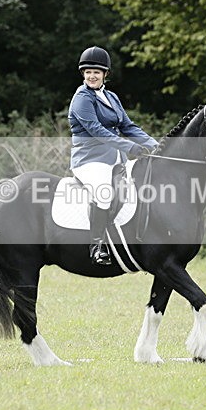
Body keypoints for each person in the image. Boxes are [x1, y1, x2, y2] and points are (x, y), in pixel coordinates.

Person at [68, 46, 159, 265]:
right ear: (83, 74)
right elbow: (97, 131)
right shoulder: (82, 98)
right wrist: (130, 148)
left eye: (96, 72)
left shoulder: (111, 97)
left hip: (115, 160)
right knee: (104, 193)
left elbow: (128, 126)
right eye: (88, 71)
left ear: (105, 74)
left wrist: (156, 145)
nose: (91, 75)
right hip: (89, 161)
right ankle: (96, 245)